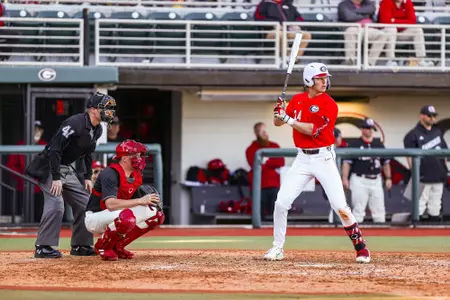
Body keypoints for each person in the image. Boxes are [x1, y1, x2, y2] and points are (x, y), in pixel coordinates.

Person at [265, 62, 370, 263]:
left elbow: (313, 130)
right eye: (319, 78)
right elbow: (277, 122)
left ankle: (361, 248)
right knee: (281, 203)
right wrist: (279, 111)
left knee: (340, 206)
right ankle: (277, 248)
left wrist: (287, 118)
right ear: (308, 80)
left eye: (325, 78)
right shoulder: (297, 100)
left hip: (324, 157)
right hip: (302, 158)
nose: (324, 81)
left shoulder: (329, 104)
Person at [26, 92, 117, 259]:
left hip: (66, 168)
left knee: (84, 203)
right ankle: (43, 247)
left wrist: (87, 177)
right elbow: (54, 149)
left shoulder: (97, 129)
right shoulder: (75, 123)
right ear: (93, 109)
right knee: (56, 202)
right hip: (48, 166)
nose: (109, 112)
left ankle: (81, 245)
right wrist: (55, 177)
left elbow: (88, 154)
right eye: (105, 108)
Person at [84, 140, 165, 261]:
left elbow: (132, 201)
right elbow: (110, 204)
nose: (139, 158)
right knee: (127, 217)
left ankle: (118, 245)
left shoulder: (136, 175)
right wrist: (140, 201)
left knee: (156, 215)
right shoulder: (110, 173)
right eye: (136, 155)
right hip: (95, 217)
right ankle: (104, 246)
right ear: (124, 158)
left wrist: (150, 201)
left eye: (140, 155)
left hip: (117, 214)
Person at [341, 118, 392, 224]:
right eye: (367, 128)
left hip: (376, 179)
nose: (370, 130)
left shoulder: (379, 144)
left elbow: (385, 163)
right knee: (358, 211)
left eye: (371, 128)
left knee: (379, 212)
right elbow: (347, 163)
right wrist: (345, 178)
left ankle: (381, 238)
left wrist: (388, 178)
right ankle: (356, 238)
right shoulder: (355, 144)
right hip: (359, 179)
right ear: (362, 129)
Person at [403, 105, 447, 222]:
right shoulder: (412, 134)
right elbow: (410, 158)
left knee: (435, 207)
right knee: (419, 206)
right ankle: (415, 233)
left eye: (433, 116)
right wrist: (415, 174)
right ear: (422, 116)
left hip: (438, 175)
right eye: (429, 116)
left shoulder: (437, 132)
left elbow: (445, 152)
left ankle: (434, 234)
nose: (432, 118)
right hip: (423, 177)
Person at [6, 120, 47, 222]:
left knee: (41, 216)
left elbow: (52, 165)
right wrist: (22, 177)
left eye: (38, 130)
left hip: (42, 188)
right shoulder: (20, 146)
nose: (36, 133)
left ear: (42, 132)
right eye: (34, 130)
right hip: (24, 187)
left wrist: (44, 177)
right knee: (24, 218)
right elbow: (10, 165)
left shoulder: (46, 146)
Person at [245, 122, 285, 221]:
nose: (265, 134)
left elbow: (281, 162)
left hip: (274, 185)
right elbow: (254, 165)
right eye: (261, 131)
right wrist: (271, 162)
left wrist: (265, 162)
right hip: (259, 186)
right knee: (260, 214)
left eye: (265, 131)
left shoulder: (274, 146)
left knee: (275, 213)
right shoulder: (251, 149)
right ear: (256, 133)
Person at [378, 0, 434, 67]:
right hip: (386, 32)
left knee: (417, 29)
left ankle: (420, 60)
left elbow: (413, 20)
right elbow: (386, 21)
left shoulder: (408, 2)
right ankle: (390, 61)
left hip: (401, 32)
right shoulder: (386, 1)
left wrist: (394, 21)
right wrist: (404, 22)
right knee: (392, 29)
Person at [338, 0, 388, 66]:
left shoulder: (369, 3)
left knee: (382, 35)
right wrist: (365, 15)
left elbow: (371, 9)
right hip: (354, 27)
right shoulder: (343, 4)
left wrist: (354, 12)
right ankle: (350, 61)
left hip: (369, 29)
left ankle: (370, 63)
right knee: (350, 31)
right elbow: (348, 17)